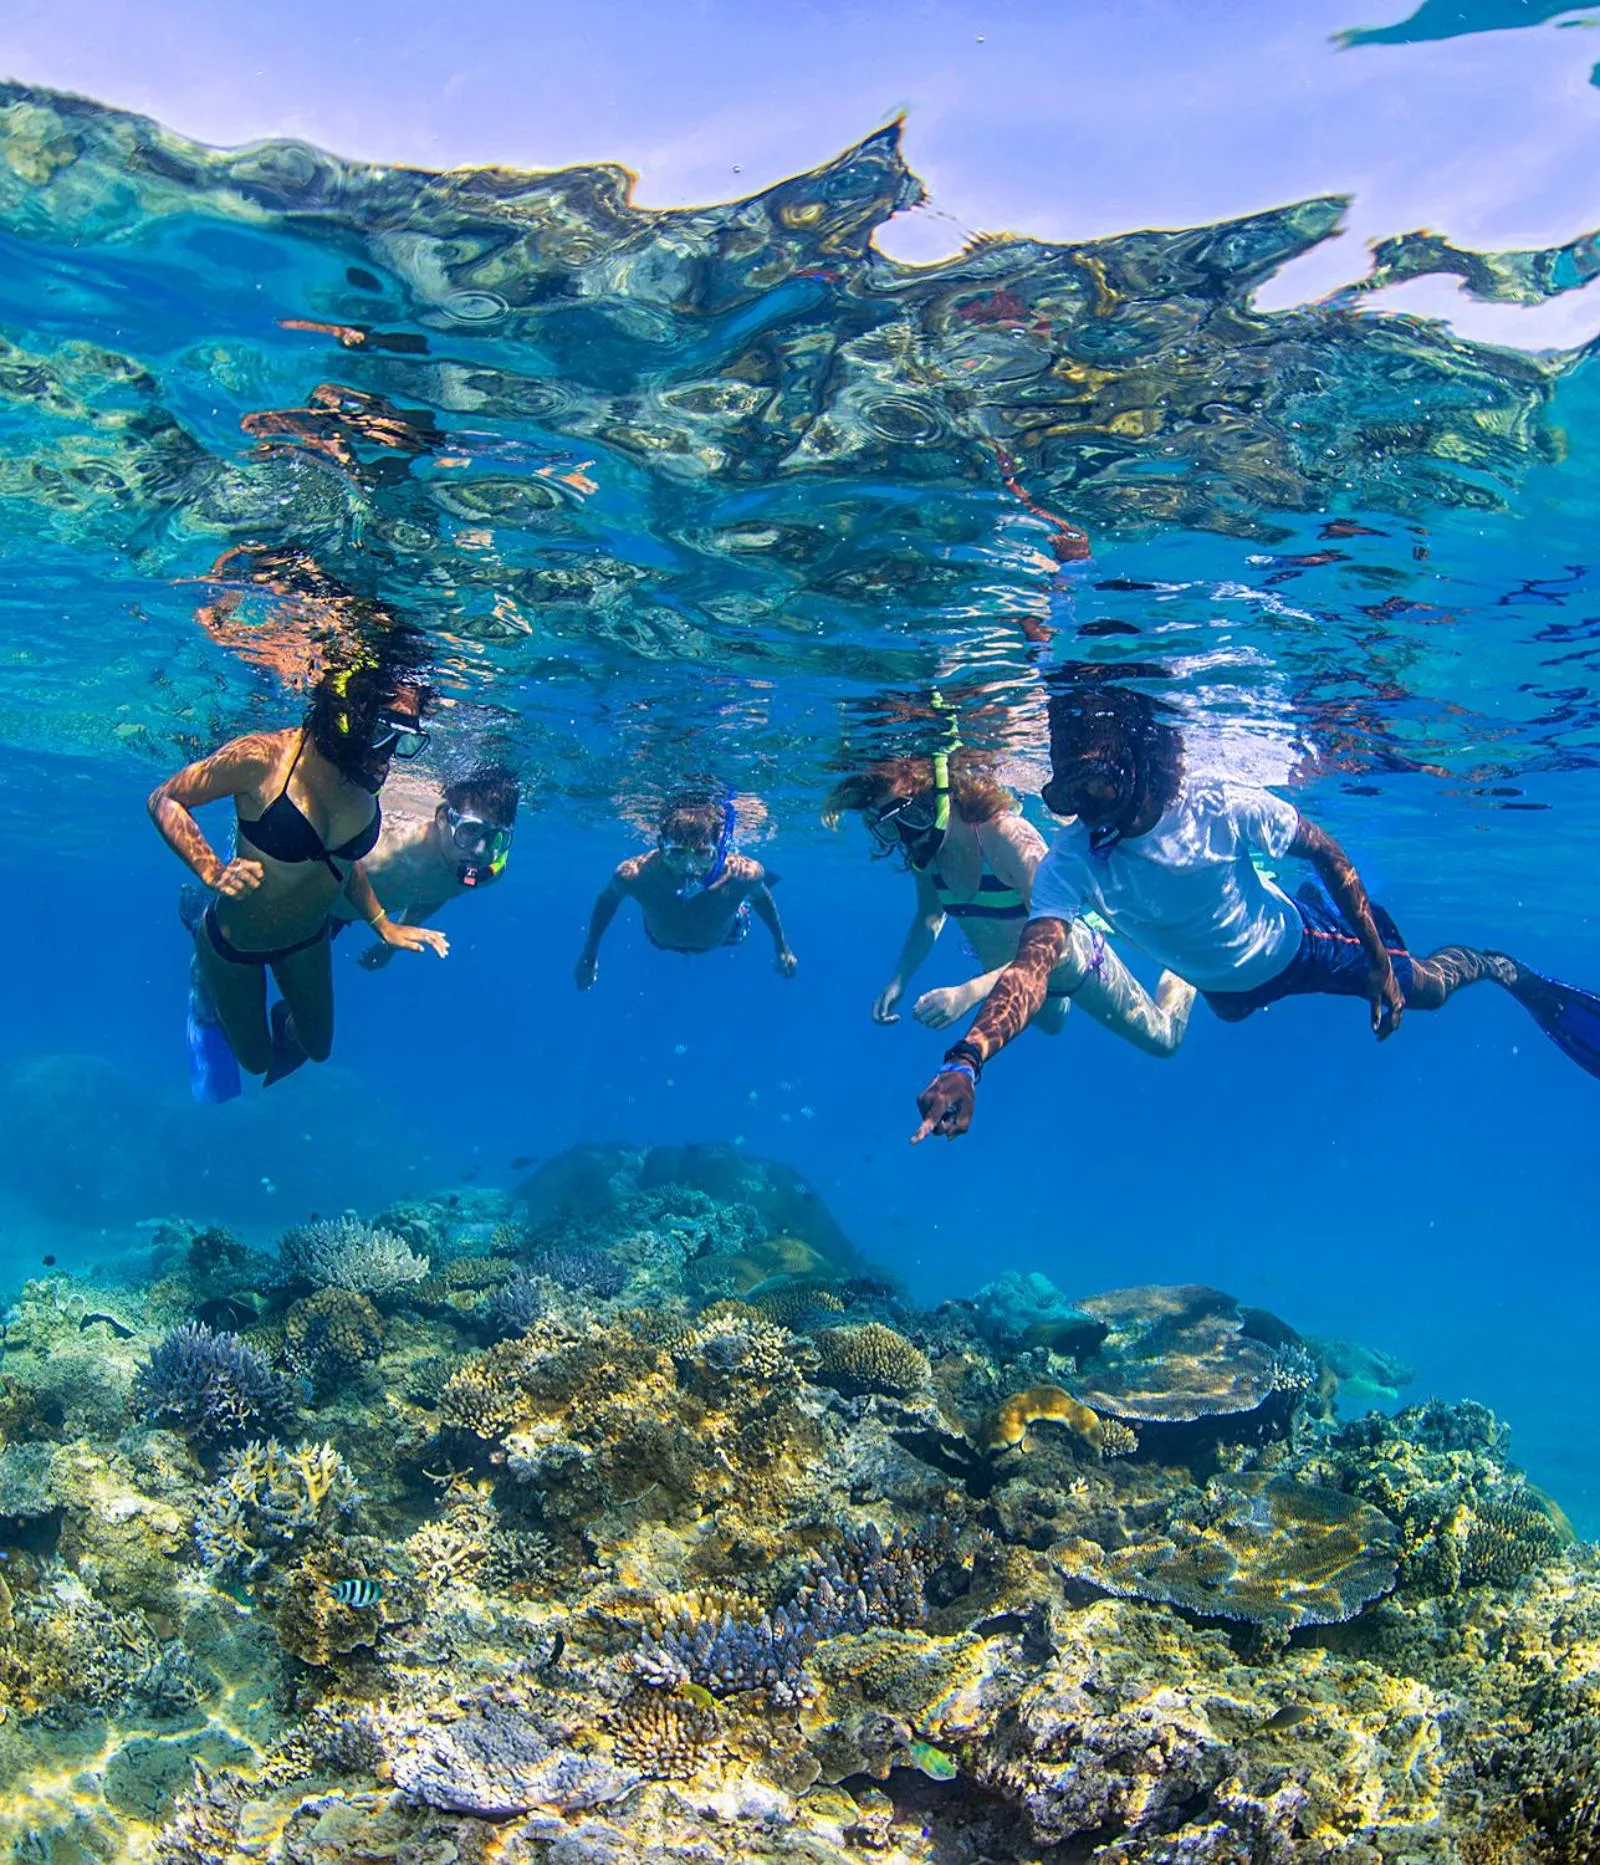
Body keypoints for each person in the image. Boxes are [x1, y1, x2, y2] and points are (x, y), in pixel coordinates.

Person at [912, 681, 1600, 1140]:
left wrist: (1376, 962)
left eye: (1096, 785)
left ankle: (1500, 968)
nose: (1083, 809)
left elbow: (1328, 852)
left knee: (1424, 989)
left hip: (1300, 949)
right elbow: (1031, 968)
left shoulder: (1216, 804)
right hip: (1226, 983)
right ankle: (1273, 947)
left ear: (1139, 766)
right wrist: (967, 1061)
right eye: (1068, 793)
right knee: (1231, 1007)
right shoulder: (1070, 861)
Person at [149, 646, 449, 1083]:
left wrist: (383, 924)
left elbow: (342, 861)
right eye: (383, 731)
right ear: (349, 713)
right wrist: (211, 870)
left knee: (317, 1049)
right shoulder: (264, 758)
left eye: (406, 740)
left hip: (307, 939)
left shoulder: (365, 776)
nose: (388, 755)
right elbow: (165, 799)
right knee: (255, 1062)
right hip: (236, 941)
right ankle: (199, 924)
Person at [823, 748, 1194, 1052]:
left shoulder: (1003, 837)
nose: (908, 835)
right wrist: (899, 979)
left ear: (940, 795)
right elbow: (929, 916)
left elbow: (1056, 945)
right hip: (1007, 977)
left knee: (1165, 1040)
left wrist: (968, 993)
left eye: (915, 815)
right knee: (1052, 1025)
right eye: (891, 826)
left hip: (1069, 963)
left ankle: (1186, 970)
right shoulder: (927, 853)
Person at [575, 795, 796, 989]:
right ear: (661, 846)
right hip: (661, 940)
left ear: (720, 849)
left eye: (702, 855)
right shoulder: (634, 874)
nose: (689, 867)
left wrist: (782, 945)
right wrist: (589, 953)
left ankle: (742, 902)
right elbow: (608, 901)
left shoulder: (744, 874)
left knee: (747, 894)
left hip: (729, 935)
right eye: (676, 854)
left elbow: (761, 899)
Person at [330, 765, 520, 968]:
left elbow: (435, 893)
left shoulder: (484, 871)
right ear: (442, 818)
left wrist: (392, 944)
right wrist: (384, 927)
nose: (479, 851)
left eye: (493, 837)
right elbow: (334, 865)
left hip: (342, 915)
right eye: (470, 830)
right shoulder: (388, 847)